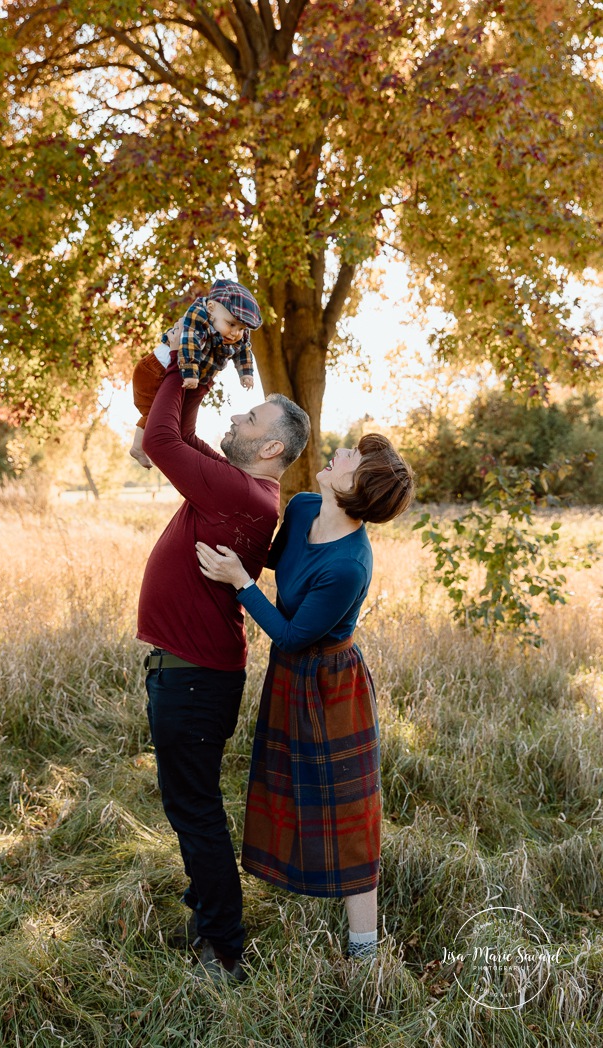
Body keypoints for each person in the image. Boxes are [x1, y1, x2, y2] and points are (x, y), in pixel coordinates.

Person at [195, 434, 414, 962]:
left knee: (349, 809)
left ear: (354, 486)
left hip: (334, 687)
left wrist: (242, 585)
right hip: (291, 681)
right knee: (291, 793)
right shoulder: (304, 507)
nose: (339, 452)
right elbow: (271, 556)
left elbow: (293, 635)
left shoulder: (348, 566)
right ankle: (297, 876)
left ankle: (364, 952)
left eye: (350, 460)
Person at [137, 346, 310, 984]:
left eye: (253, 418)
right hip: (187, 672)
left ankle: (225, 945)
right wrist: (199, 364)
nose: (237, 417)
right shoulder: (239, 486)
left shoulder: (243, 493)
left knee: (196, 807)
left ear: (271, 449)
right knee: (191, 803)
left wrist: (188, 365)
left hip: (195, 678)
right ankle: (210, 912)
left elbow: (158, 438)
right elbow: (179, 433)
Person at [130, 278, 263, 467]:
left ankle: (190, 462)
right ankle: (138, 447)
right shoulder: (198, 316)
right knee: (157, 415)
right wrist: (191, 374)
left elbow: (243, 350)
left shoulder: (234, 333)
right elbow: (189, 345)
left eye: (241, 329)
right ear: (210, 308)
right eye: (231, 324)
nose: (235, 333)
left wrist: (246, 373)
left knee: (176, 424)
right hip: (156, 371)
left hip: (182, 377)